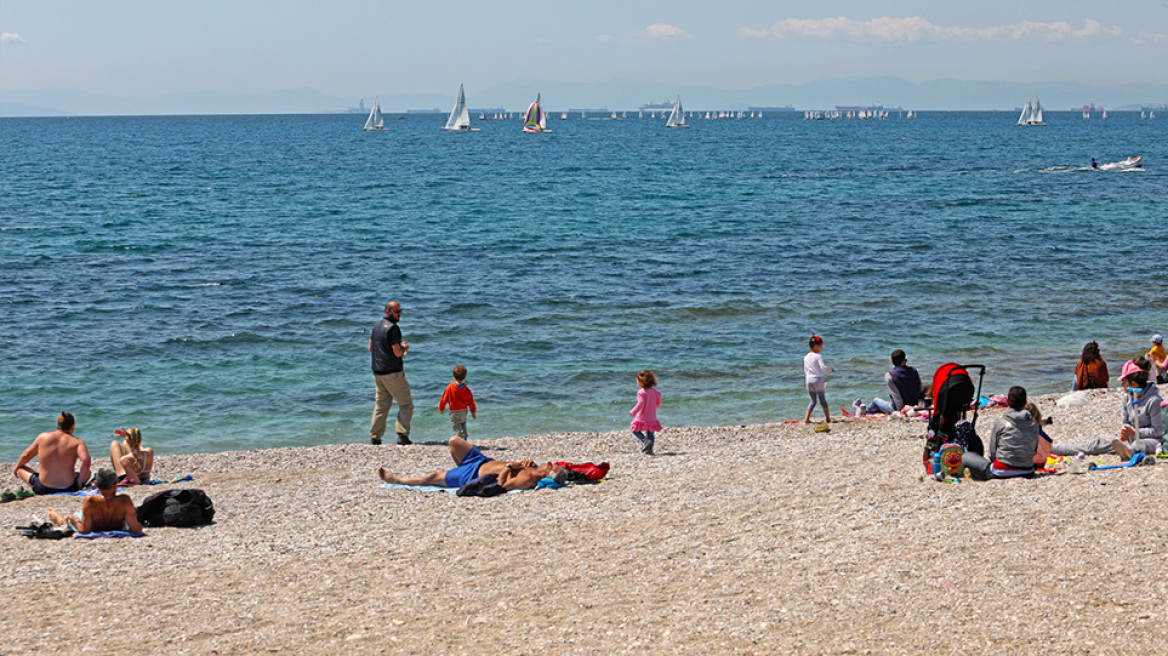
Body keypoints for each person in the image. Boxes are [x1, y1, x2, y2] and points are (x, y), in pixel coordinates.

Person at [1053, 359, 1164, 458]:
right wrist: (1125, 431)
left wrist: (1135, 433)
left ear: (1133, 384)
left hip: (1153, 441)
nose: (1121, 386)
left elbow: (1158, 431)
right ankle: (1053, 449)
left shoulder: (1153, 400)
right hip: (1131, 438)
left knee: (1139, 444)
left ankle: (1129, 452)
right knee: (1097, 443)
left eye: (1123, 382)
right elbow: (1126, 422)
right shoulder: (1126, 398)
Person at [377, 436, 563, 491]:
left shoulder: (528, 479)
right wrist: (525, 462)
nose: (548, 463)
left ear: (548, 473)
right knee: (454, 441)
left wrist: (509, 467)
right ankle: (456, 471)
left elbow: (503, 484)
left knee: (432, 477)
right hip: (481, 461)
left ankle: (398, 480)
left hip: (474, 475)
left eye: (551, 465)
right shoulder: (532, 468)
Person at [963, 387, 1039, 479]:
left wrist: (994, 462)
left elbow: (992, 451)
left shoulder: (1001, 421)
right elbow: (1034, 450)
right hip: (1027, 470)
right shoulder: (1033, 423)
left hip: (1002, 471)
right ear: (1025, 403)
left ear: (1008, 402)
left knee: (966, 456)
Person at [13, 412, 92, 495]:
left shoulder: (43, 437)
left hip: (43, 488)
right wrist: (80, 483)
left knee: (20, 469)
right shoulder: (77, 442)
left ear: (58, 425)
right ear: (72, 427)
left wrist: (16, 467)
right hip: (69, 487)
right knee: (87, 471)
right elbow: (86, 461)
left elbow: (26, 455)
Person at [369, 300, 413, 445]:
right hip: (392, 372)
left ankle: (375, 437)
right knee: (406, 404)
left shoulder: (376, 326)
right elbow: (397, 353)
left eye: (400, 311)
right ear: (388, 311)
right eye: (397, 311)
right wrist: (404, 348)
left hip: (377, 371)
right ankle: (402, 435)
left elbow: (371, 348)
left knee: (381, 405)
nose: (399, 314)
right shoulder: (393, 328)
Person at [46, 468, 142, 534]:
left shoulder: (91, 501)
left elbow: (84, 530)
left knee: (72, 517)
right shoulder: (124, 500)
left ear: (96, 484)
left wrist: (74, 520)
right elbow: (136, 529)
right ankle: (61, 519)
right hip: (117, 526)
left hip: (94, 526)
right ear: (116, 484)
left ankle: (61, 520)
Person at [862, 349, 928, 415]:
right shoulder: (914, 371)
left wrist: (900, 410)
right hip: (914, 404)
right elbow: (921, 389)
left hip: (899, 408)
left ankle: (863, 412)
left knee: (875, 401)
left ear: (892, 362)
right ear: (904, 361)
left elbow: (897, 397)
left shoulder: (889, 375)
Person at [629, 369, 662, 455]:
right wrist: (652, 407)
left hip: (642, 416)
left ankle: (645, 441)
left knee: (635, 430)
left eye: (638, 381)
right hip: (652, 416)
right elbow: (658, 403)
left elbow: (641, 403)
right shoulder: (655, 392)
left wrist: (633, 411)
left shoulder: (641, 392)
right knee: (650, 432)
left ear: (641, 382)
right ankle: (649, 450)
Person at [438, 365, 476, 439]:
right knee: (463, 424)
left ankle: (459, 442)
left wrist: (441, 407)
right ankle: (464, 439)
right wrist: (473, 411)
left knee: (456, 428)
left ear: (453, 376)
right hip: (464, 411)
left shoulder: (450, 387)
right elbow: (471, 401)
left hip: (454, 411)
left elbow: (444, 399)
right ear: (464, 377)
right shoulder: (466, 389)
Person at [803, 335, 834, 424]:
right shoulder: (818, 356)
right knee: (822, 400)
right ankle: (828, 418)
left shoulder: (805, 357)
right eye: (821, 346)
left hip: (809, 380)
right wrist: (831, 370)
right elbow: (823, 367)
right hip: (818, 380)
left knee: (812, 401)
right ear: (816, 346)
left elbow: (806, 370)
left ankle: (806, 419)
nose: (822, 348)